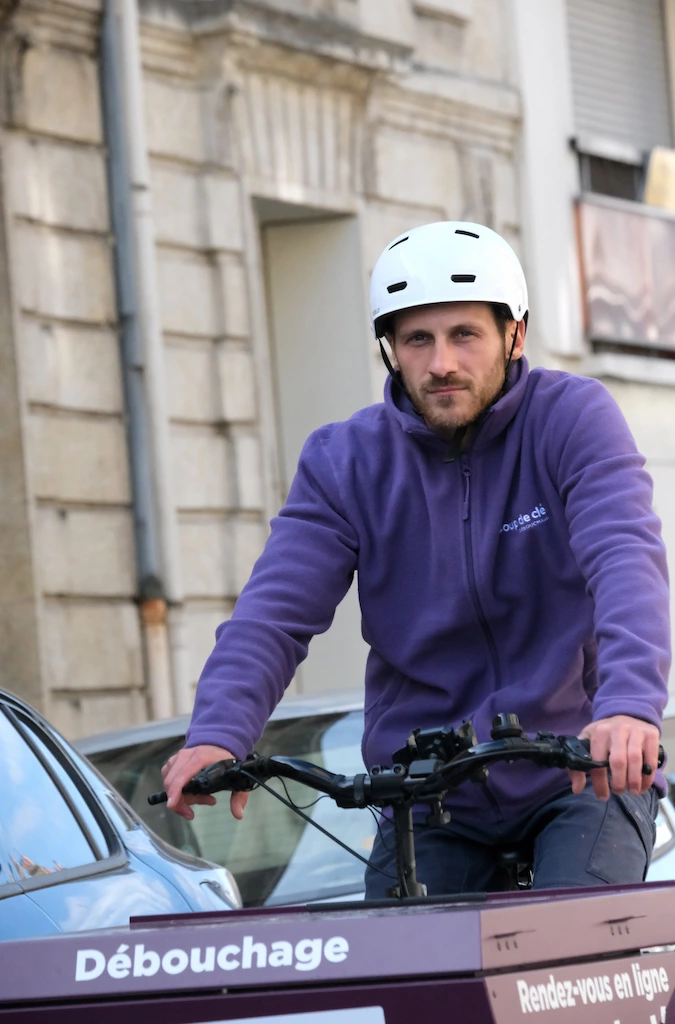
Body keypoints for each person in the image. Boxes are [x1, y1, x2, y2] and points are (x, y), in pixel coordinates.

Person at [163, 221, 671, 895]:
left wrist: (629, 705)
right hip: (428, 795)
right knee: (399, 957)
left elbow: (625, 558)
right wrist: (220, 730)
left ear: (514, 336)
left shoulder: (573, 418)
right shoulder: (344, 460)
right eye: (417, 340)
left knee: (574, 943)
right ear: (391, 350)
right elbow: (274, 613)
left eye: (465, 334)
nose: (441, 363)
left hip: (580, 771)